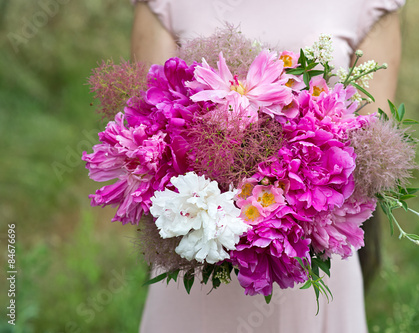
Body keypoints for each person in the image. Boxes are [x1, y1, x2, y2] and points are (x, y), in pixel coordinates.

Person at [130, 1, 404, 332]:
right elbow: (150, 122)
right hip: (198, 246)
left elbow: (369, 147)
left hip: (305, 248)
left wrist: (291, 204)